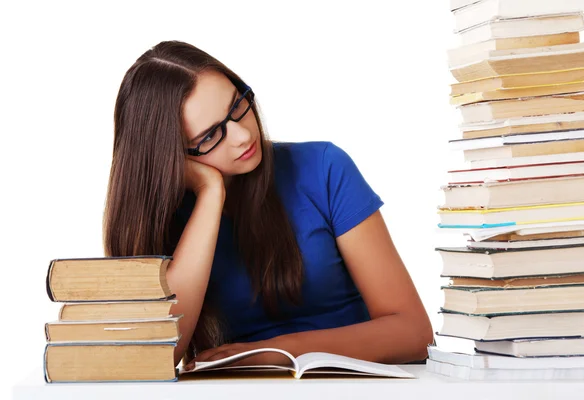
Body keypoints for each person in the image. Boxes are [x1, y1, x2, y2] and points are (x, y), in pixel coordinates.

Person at [103, 40, 433, 370]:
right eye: (209, 136)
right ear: (173, 157)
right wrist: (210, 194)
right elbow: (157, 354)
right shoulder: (165, 219)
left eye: (236, 107)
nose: (242, 135)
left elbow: (414, 333)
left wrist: (277, 351)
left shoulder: (323, 167)